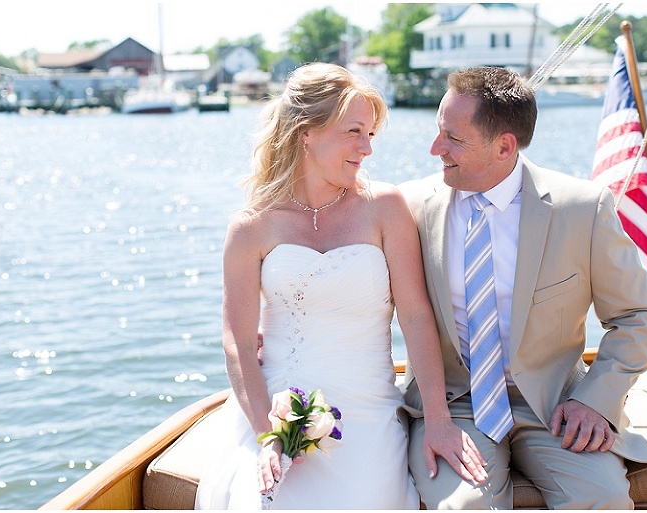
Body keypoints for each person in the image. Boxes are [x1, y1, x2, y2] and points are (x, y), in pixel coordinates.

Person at [195, 62, 485, 510]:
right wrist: (268, 435)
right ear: (305, 131)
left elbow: (415, 315)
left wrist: (439, 418)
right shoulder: (251, 226)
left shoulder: (385, 207)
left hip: (368, 410)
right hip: (277, 406)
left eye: (371, 134)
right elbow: (236, 338)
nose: (367, 148)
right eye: (355, 131)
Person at [399, 66, 647, 509]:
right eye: (437, 131)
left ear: (504, 146)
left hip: (556, 404)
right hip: (454, 405)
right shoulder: (408, 206)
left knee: (604, 501)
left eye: (452, 138)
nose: (435, 148)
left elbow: (637, 315)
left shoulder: (583, 208)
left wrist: (595, 401)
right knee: (463, 507)